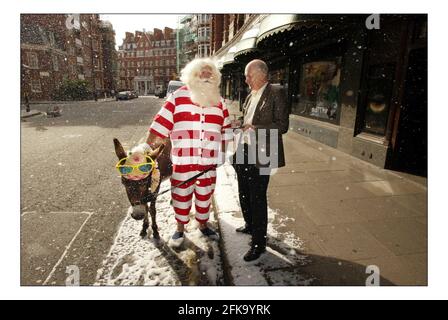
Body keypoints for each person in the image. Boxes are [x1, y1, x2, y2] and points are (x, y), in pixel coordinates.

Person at [146, 58, 232, 246]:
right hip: (183, 164)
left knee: (205, 195)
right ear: (193, 74)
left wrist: (223, 153)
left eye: (210, 72)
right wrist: (146, 153)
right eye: (203, 71)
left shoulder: (220, 103)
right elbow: (158, 128)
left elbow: (226, 131)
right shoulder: (177, 97)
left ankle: (203, 224)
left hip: (208, 165)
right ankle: (179, 228)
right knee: (181, 196)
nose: (207, 75)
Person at [233, 59, 289, 262]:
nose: (246, 79)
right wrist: (239, 122)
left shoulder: (276, 92)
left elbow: (282, 126)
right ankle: (250, 224)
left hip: (264, 151)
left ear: (261, 74)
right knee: (244, 192)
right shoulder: (251, 95)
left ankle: (259, 243)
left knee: (257, 197)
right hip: (244, 150)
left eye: (249, 75)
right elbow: (247, 118)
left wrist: (255, 128)